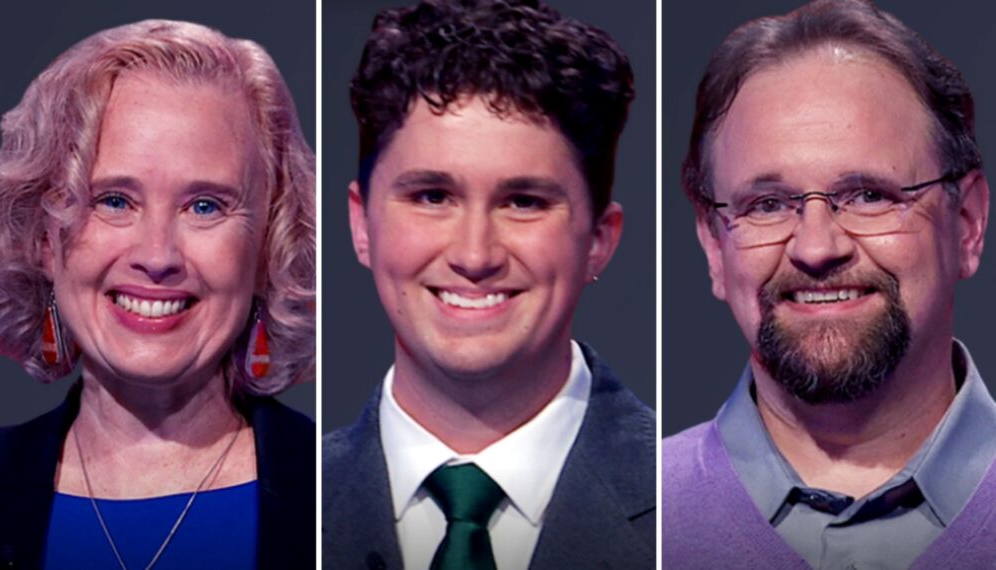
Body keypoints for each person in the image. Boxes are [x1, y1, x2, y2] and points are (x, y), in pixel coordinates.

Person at [321, 1, 655, 568]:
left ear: (599, 239)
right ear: (361, 224)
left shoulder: (682, 511)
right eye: (432, 197)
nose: (474, 255)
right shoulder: (287, 508)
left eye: (523, 202)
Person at [664, 1, 996, 568]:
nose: (817, 248)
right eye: (767, 204)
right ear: (714, 245)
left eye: (870, 195)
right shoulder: (646, 518)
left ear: (965, 224)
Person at [0, 20, 315, 569]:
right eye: (114, 200)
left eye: (205, 206)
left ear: (267, 250)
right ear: (45, 237)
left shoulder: (334, 501)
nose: (157, 255)